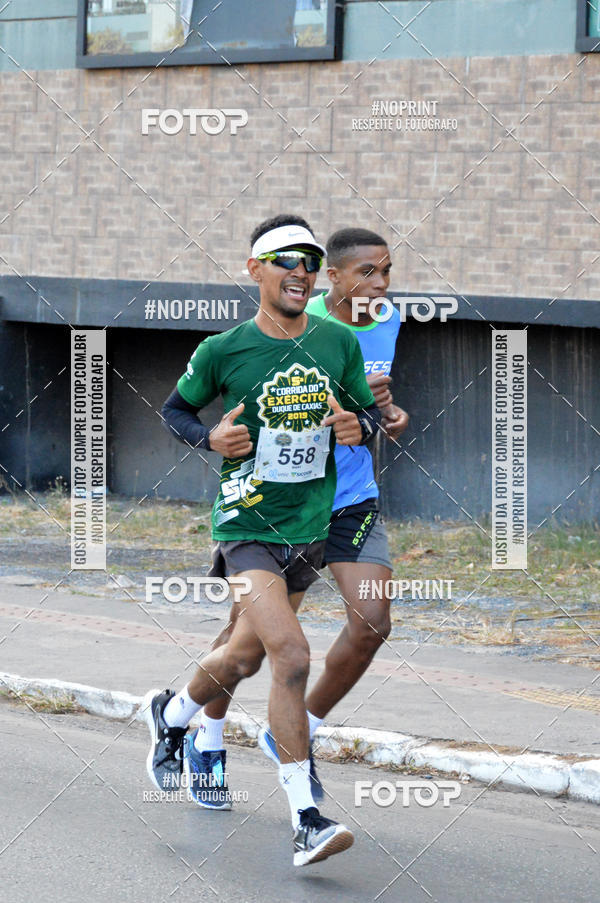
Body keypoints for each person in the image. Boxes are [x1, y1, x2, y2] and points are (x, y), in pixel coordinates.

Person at [142, 214, 381, 867]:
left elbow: (365, 412)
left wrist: (359, 425)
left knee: (244, 655)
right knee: (292, 655)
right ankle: (306, 818)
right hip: (247, 526)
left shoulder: (338, 343)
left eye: (310, 260)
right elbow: (175, 410)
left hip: (309, 525)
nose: (302, 271)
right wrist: (209, 437)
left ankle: (171, 711)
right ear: (255, 270)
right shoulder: (225, 349)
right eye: (287, 259)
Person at [200, 227, 408, 800]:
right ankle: (208, 738)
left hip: (352, 498)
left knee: (371, 624)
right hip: (284, 505)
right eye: (367, 272)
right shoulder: (298, 316)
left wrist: (387, 414)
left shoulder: (387, 318)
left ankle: (297, 733)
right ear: (332, 277)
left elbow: (373, 408)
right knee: (249, 643)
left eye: (387, 271)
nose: (381, 284)